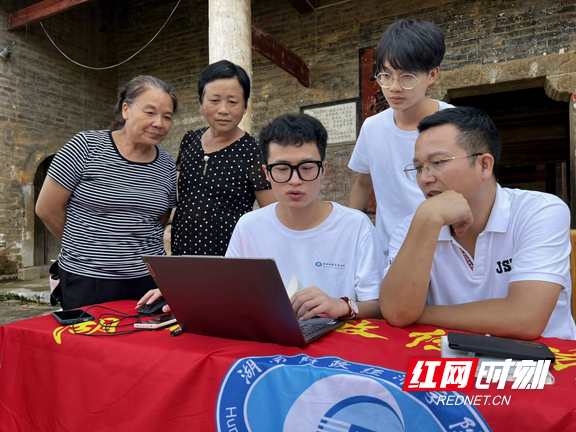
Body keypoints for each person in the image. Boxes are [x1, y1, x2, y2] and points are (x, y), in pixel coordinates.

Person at [140, 114, 384, 319]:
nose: (295, 180)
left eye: (307, 168)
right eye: (282, 169)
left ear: (323, 170)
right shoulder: (249, 226)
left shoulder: (355, 226)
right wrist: (185, 293)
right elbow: (229, 290)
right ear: (266, 173)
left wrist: (342, 306)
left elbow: (378, 306)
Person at [380, 106, 576, 340]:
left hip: (540, 358)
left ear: (484, 165)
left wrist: (418, 314)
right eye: (419, 167)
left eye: (438, 162)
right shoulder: (416, 224)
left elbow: (525, 319)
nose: (424, 178)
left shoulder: (538, 211)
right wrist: (427, 220)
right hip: (450, 357)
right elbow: (396, 313)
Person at [36, 75, 178, 310]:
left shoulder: (166, 164)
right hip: (87, 278)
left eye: (167, 117)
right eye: (150, 112)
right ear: (126, 110)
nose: (159, 123)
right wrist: (87, 247)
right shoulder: (86, 146)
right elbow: (47, 208)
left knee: (144, 334)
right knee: (87, 334)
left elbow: (159, 218)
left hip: (147, 281)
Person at [348, 19, 452, 259]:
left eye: (407, 76)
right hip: (390, 254)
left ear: (432, 74)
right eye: (386, 75)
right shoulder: (372, 127)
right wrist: (347, 232)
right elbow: (362, 184)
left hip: (445, 251)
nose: (394, 87)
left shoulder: (454, 124)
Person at [170, 60, 275, 257]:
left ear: (245, 106)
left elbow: (271, 214)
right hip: (182, 254)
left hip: (229, 257)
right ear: (201, 103)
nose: (223, 110)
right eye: (214, 100)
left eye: (233, 102)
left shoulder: (254, 151)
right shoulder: (189, 141)